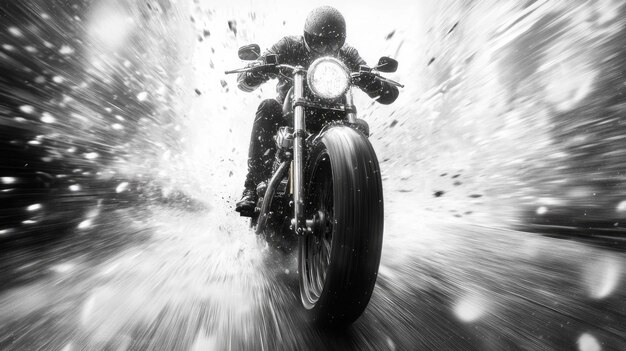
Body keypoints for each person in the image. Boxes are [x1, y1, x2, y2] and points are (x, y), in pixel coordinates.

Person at [235, 6, 399, 214]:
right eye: (319, 42)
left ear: (341, 40)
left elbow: (389, 95)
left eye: (333, 43)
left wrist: (373, 81)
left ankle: (357, 200)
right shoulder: (288, 46)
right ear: (306, 37)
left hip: (334, 116)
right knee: (268, 107)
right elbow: (243, 82)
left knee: (360, 128)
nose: (326, 49)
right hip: (289, 116)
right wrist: (259, 69)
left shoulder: (347, 54)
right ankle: (252, 186)